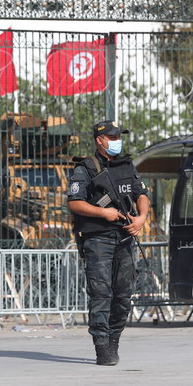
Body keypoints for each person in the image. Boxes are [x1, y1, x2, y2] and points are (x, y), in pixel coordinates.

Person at [67, 120, 149, 366]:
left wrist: (141, 218)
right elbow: (75, 203)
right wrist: (104, 213)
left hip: (125, 237)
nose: (116, 141)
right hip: (98, 238)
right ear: (100, 140)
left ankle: (114, 340)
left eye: (118, 137)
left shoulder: (126, 165)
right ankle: (102, 346)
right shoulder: (85, 169)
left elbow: (141, 194)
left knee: (123, 293)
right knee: (101, 292)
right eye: (111, 137)